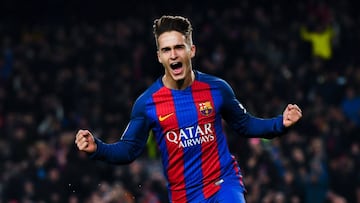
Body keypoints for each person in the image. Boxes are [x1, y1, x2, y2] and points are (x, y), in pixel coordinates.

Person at [75, 15, 302, 203]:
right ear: (159, 56)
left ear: (191, 50)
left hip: (224, 182)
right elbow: (128, 151)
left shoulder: (217, 88)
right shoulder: (147, 103)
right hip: (185, 196)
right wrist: (98, 148)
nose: (173, 55)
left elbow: (245, 125)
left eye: (178, 47)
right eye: (166, 50)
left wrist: (280, 123)